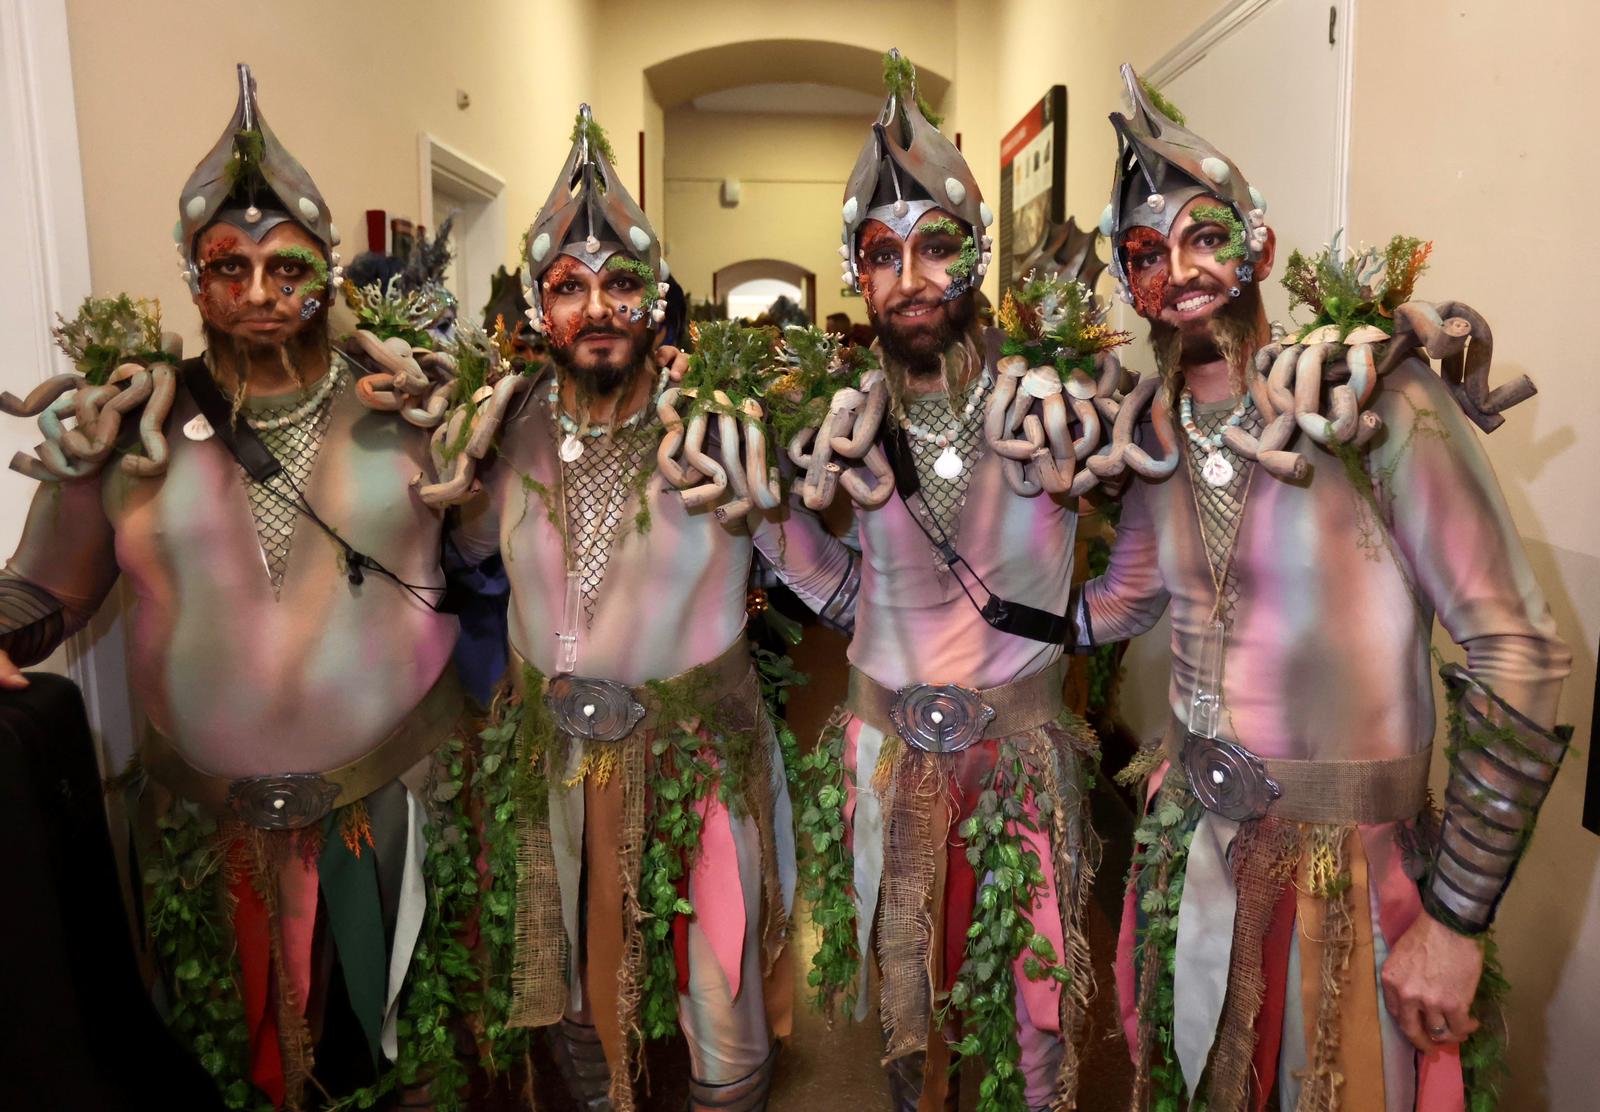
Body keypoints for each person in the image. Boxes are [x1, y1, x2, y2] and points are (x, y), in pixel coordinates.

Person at [0, 66, 517, 1109]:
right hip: (205, 839)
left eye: (287, 267)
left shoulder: (417, 407)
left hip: (400, 813)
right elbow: (40, 587)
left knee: (411, 1067)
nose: (258, 293)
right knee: (227, 1074)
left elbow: (505, 565)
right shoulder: (126, 430)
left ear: (328, 270)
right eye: (226, 267)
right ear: (193, 279)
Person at [1078, 65, 1572, 1110]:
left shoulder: (1369, 394)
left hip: (1355, 886)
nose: (1181, 270)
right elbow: (1135, 603)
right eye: (1144, 255)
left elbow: (1519, 647)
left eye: (1205, 233)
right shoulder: (1153, 430)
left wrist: (1455, 916)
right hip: (1192, 865)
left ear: (1256, 235)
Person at [447, 105, 853, 1112]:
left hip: (696, 756)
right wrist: (454, 468)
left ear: (656, 300)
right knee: (578, 1011)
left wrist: (762, 505)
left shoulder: (719, 427)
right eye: (568, 286)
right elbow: (452, 558)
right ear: (539, 307)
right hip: (554, 761)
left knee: (718, 1007)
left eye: (621, 282)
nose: (596, 306)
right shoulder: (502, 428)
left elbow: (828, 583)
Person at [767, 50, 1104, 1112]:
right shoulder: (839, 419)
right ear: (856, 275)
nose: (908, 279)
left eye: (936, 248)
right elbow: (806, 560)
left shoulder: (1060, 395)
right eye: (881, 254)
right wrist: (806, 560)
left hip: (1018, 765)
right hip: (885, 755)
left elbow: (1171, 513)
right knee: (905, 1021)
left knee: (1031, 1032)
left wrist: (1079, 625)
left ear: (976, 257)